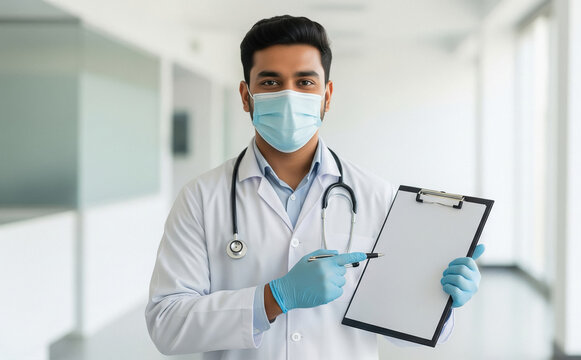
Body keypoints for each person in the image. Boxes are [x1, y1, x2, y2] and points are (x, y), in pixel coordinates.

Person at [145, 15, 485, 360]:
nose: (289, 96)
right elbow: (166, 325)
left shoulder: (376, 196)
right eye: (271, 82)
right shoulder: (201, 198)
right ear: (246, 96)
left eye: (305, 82)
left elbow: (405, 325)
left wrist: (440, 302)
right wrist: (274, 298)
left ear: (327, 95)